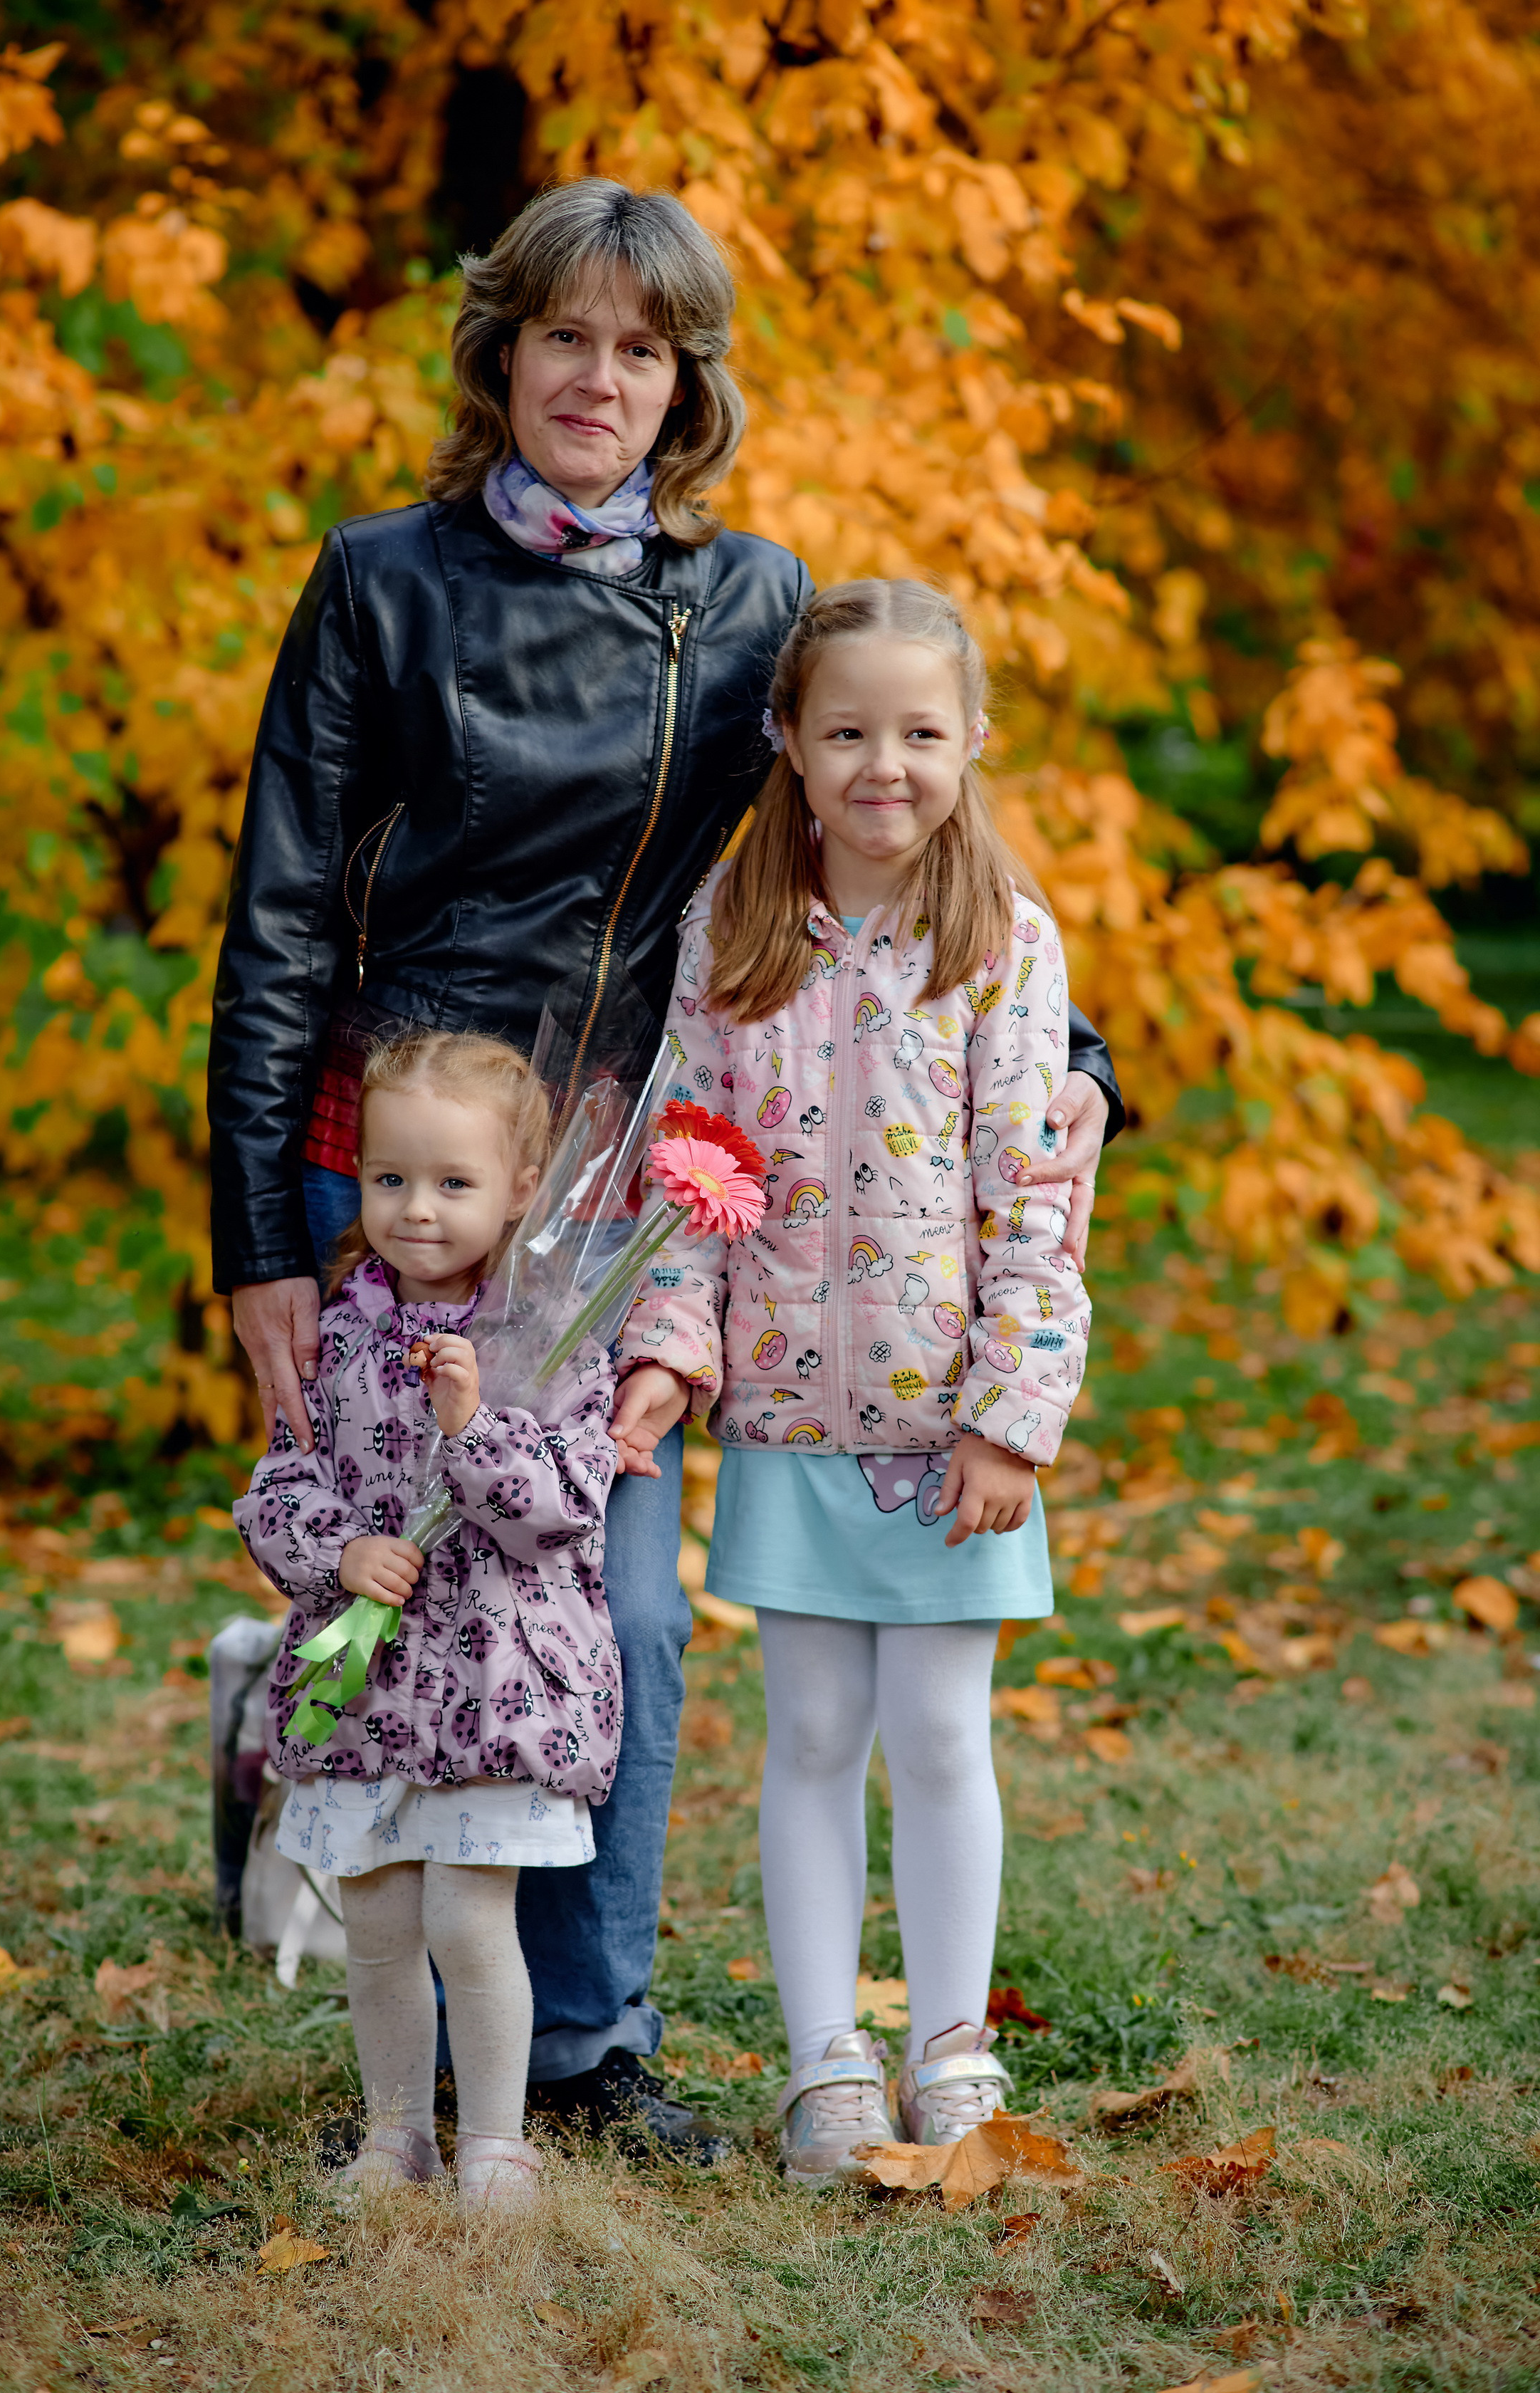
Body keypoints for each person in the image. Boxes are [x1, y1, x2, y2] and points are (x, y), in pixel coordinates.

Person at [209, 177, 1123, 2158]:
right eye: (565, 337)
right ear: (503, 354)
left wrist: (1078, 1060)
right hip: (406, 1171)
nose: (599, 379)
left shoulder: (748, 606)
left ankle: (575, 2054)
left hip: (631, 1182)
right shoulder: (380, 583)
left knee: (603, 1618)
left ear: (684, 381)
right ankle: (305, 1764)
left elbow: (891, 837)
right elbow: (281, 911)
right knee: (388, 1580)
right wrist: (254, 1238)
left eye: (642, 347)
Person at [617, 580, 1089, 2186]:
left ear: (971, 743)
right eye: (847, 732)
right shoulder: (732, 928)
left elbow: (1037, 1195)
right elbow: (687, 1171)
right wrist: (673, 1349)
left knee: (941, 1734)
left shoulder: (1001, 939)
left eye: (919, 732)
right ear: (793, 745)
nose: (883, 764)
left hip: (947, 1432)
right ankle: (827, 2059)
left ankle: (948, 2045)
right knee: (811, 1729)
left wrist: (1008, 1416)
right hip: (786, 1422)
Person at [233, 1029, 620, 2212]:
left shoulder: (548, 1345)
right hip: (367, 1694)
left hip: (493, 1682)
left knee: (466, 1909)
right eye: (392, 1178)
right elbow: (278, 1486)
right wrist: (337, 1552)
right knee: (381, 1916)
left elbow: (566, 1510)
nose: (416, 1210)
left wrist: (473, 1429)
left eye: (453, 1184)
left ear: (518, 1191)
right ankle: (395, 2134)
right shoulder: (333, 1332)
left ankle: (497, 2143)